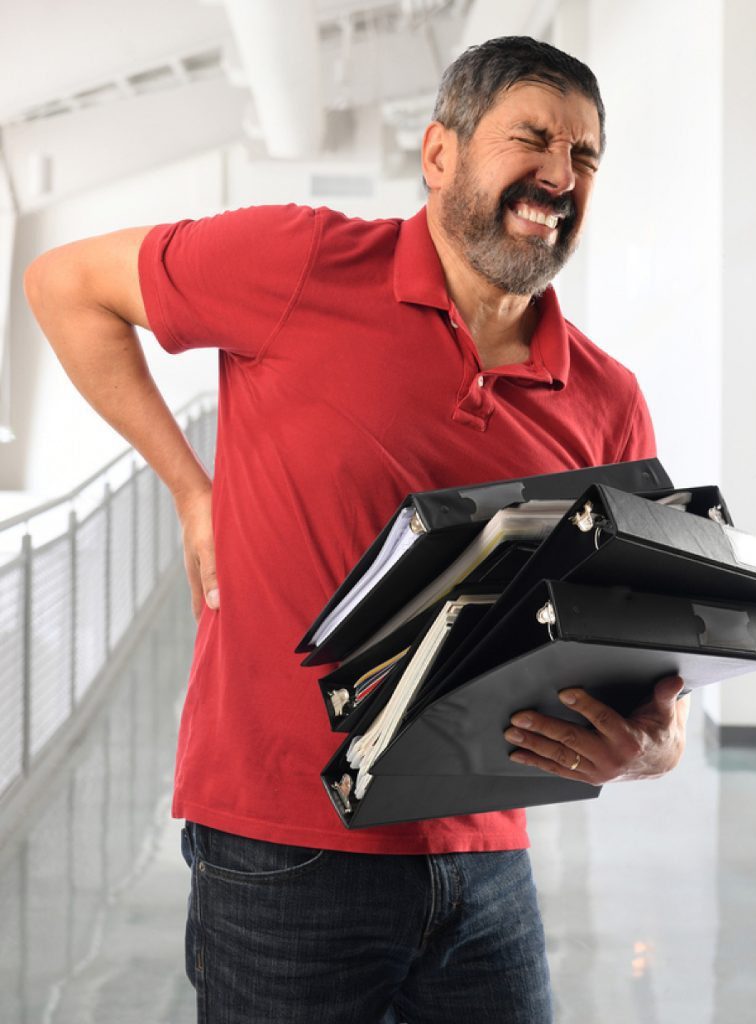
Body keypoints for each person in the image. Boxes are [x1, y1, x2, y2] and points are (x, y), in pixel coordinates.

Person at [24, 35, 689, 1024]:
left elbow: (655, 669)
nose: (560, 172)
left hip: (487, 861)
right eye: (533, 139)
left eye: (585, 156)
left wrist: (650, 748)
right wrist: (188, 486)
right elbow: (64, 285)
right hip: (284, 851)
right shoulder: (298, 263)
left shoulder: (607, 399)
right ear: (439, 155)